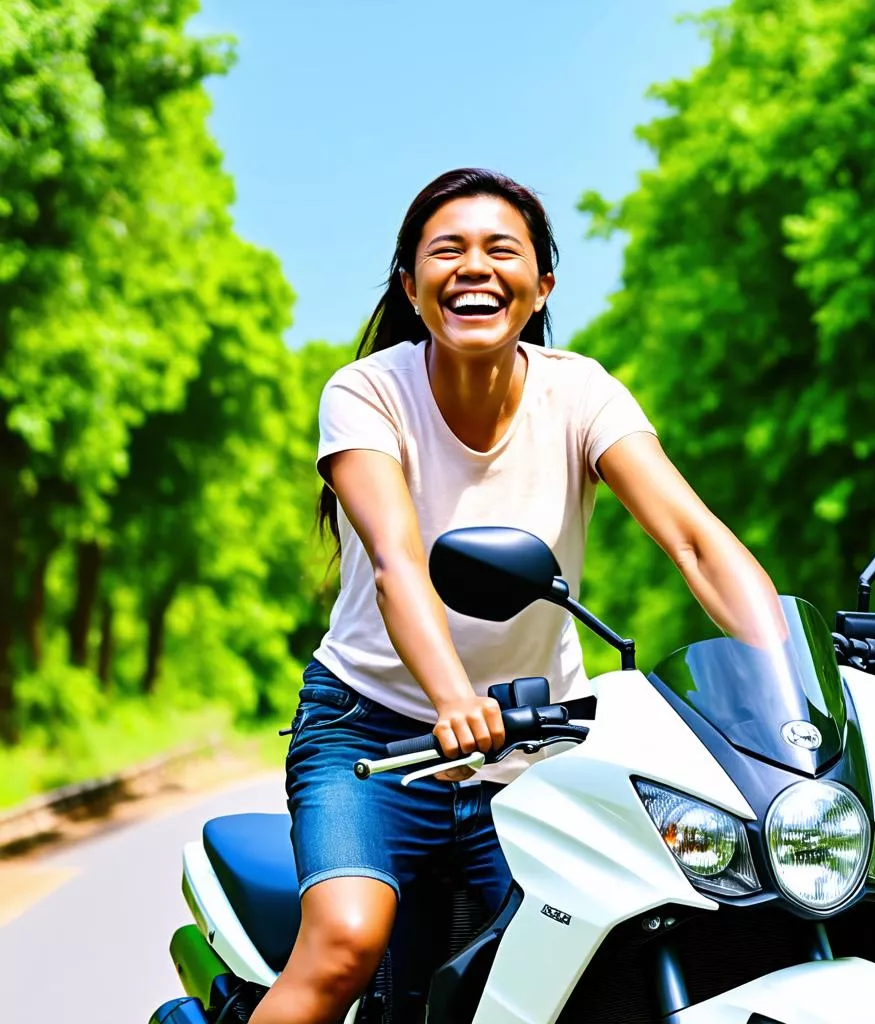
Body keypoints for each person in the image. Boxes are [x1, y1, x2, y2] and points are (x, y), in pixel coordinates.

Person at [250, 168, 782, 1024]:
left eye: (502, 250)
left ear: (541, 287)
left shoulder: (580, 392)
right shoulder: (367, 393)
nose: (474, 267)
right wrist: (453, 701)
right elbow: (397, 560)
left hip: (540, 747)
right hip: (373, 731)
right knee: (346, 942)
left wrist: (784, 664)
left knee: (604, 950)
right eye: (446, 251)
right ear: (409, 284)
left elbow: (690, 538)